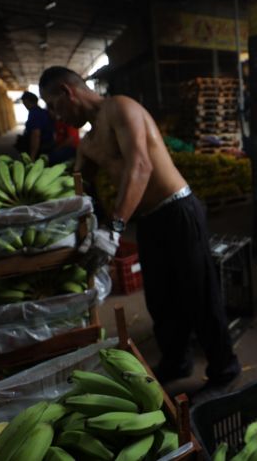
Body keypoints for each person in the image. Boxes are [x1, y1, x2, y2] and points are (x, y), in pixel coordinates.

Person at [39, 66, 240, 386]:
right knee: (161, 300)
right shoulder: (88, 143)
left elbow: (141, 165)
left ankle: (224, 369)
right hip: (147, 220)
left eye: (53, 105)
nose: (55, 115)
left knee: (199, 295)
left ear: (68, 91)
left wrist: (115, 227)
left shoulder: (119, 107)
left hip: (178, 210)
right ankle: (177, 363)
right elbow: (77, 187)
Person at [19, 91, 54, 160]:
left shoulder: (34, 113)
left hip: (41, 148)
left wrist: (32, 157)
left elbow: (36, 135)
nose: (24, 104)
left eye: (24, 102)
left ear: (28, 101)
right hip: (48, 145)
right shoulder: (43, 111)